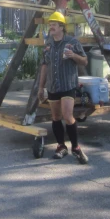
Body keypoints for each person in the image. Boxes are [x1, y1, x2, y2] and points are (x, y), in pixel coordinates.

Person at [38, 11, 89, 164]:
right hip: (53, 86)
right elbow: (44, 66)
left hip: (68, 85)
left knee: (67, 116)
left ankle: (76, 147)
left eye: (53, 24)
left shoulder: (72, 42)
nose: (51, 27)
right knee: (55, 117)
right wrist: (41, 87)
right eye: (50, 24)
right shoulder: (48, 45)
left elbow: (85, 61)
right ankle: (61, 146)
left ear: (62, 27)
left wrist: (73, 56)